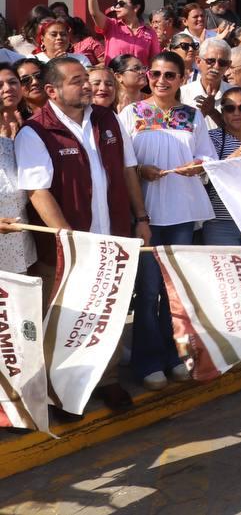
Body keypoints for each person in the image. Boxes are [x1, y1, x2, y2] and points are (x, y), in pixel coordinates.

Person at [11, 57, 147, 411]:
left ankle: (109, 379)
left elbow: (128, 169)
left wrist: (141, 218)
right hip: (66, 250)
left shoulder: (107, 119)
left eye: (86, 79)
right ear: (52, 90)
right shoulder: (35, 131)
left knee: (109, 313)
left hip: (113, 239)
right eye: (76, 81)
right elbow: (37, 192)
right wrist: (69, 241)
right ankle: (59, 392)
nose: (87, 85)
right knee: (63, 321)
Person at [118, 51, 215, 391]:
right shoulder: (131, 113)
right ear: (148, 75)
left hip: (182, 213)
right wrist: (142, 171)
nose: (161, 80)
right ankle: (147, 361)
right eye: (156, 73)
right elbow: (124, 164)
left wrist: (197, 164)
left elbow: (208, 157)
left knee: (171, 290)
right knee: (146, 291)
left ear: (181, 77)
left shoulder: (192, 115)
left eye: (170, 75)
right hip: (147, 213)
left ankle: (172, 355)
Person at [203, 87, 241, 247]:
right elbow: (203, 172)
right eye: (230, 108)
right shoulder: (212, 137)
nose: (236, 113)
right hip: (220, 222)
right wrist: (230, 159)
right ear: (222, 112)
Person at [0, 64, 33, 274]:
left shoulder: (29, 128)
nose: (8, 88)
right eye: (0, 84)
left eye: (13, 82)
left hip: (22, 241)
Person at [87, 0, 160, 64]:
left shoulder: (150, 32)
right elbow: (94, 13)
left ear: (136, 8)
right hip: (114, 77)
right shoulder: (111, 25)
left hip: (139, 77)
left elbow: (155, 61)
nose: (117, 7)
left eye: (121, 4)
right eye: (116, 4)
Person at [181, 37, 230, 120]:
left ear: (228, 65)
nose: (216, 66)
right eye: (210, 61)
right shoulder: (182, 94)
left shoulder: (237, 95)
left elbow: (240, 130)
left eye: (222, 63)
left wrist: (213, 113)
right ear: (198, 61)